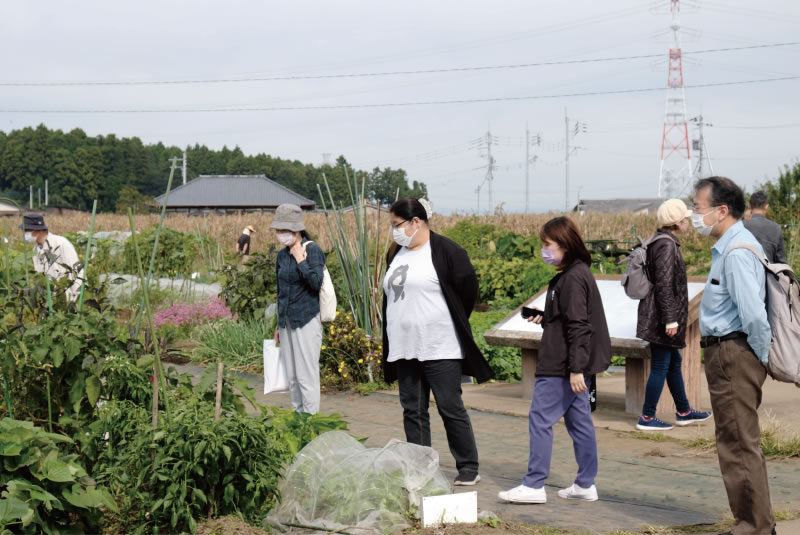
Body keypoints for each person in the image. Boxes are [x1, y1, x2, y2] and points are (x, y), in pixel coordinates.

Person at [381, 198, 494, 487]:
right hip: (404, 344)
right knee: (413, 410)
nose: (394, 231)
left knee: (449, 406)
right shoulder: (396, 252)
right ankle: (420, 466)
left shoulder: (447, 251)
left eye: (397, 225)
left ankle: (468, 466)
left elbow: (466, 290)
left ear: (415, 222)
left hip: (439, 344)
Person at [499, 217, 610, 504]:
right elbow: (571, 319)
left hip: (562, 365)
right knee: (580, 423)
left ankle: (534, 484)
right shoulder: (577, 273)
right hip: (573, 363)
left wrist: (575, 369)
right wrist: (546, 316)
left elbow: (578, 326)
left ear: (565, 244)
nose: (544, 250)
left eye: (548, 245)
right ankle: (586, 483)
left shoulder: (572, 278)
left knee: (540, 419)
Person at [692, 177, 776, 535]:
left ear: (721, 210)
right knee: (736, 440)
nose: (695, 215)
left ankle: (754, 527)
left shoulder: (737, 251)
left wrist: (758, 357)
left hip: (733, 353)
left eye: (698, 208)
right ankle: (756, 523)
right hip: (730, 353)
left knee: (738, 444)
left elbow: (754, 315)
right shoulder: (731, 246)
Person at [635, 199, 712, 430]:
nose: (688, 222)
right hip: (662, 317)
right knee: (660, 365)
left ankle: (684, 411)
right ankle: (647, 417)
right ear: (678, 222)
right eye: (685, 219)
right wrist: (670, 319)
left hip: (659, 314)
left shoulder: (661, 241)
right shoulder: (667, 245)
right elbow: (665, 285)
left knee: (673, 362)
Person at [271, 204, 325, 414]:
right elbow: (280, 290)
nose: (281, 234)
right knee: (292, 377)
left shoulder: (312, 250)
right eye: (278, 230)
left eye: (285, 230)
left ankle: (311, 423)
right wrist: (278, 324)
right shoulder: (281, 256)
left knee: (306, 377)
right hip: (287, 322)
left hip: (306, 319)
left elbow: (315, 283)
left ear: (297, 230)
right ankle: (297, 420)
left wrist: (300, 259)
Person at [20, 213, 83, 302]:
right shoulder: (35, 250)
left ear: (38, 230)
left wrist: (76, 300)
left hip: (67, 297)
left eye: (27, 230)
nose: (25, 233)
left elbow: (77, 271)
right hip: (49, 299)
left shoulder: (61, 244)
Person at [743, 191, 786, 264]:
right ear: (766, 206)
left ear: (749, 206)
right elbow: (781, 261)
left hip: (745, 272)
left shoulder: (741, 226)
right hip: (769, 273)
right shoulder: (776, 228)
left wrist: (745, 220)